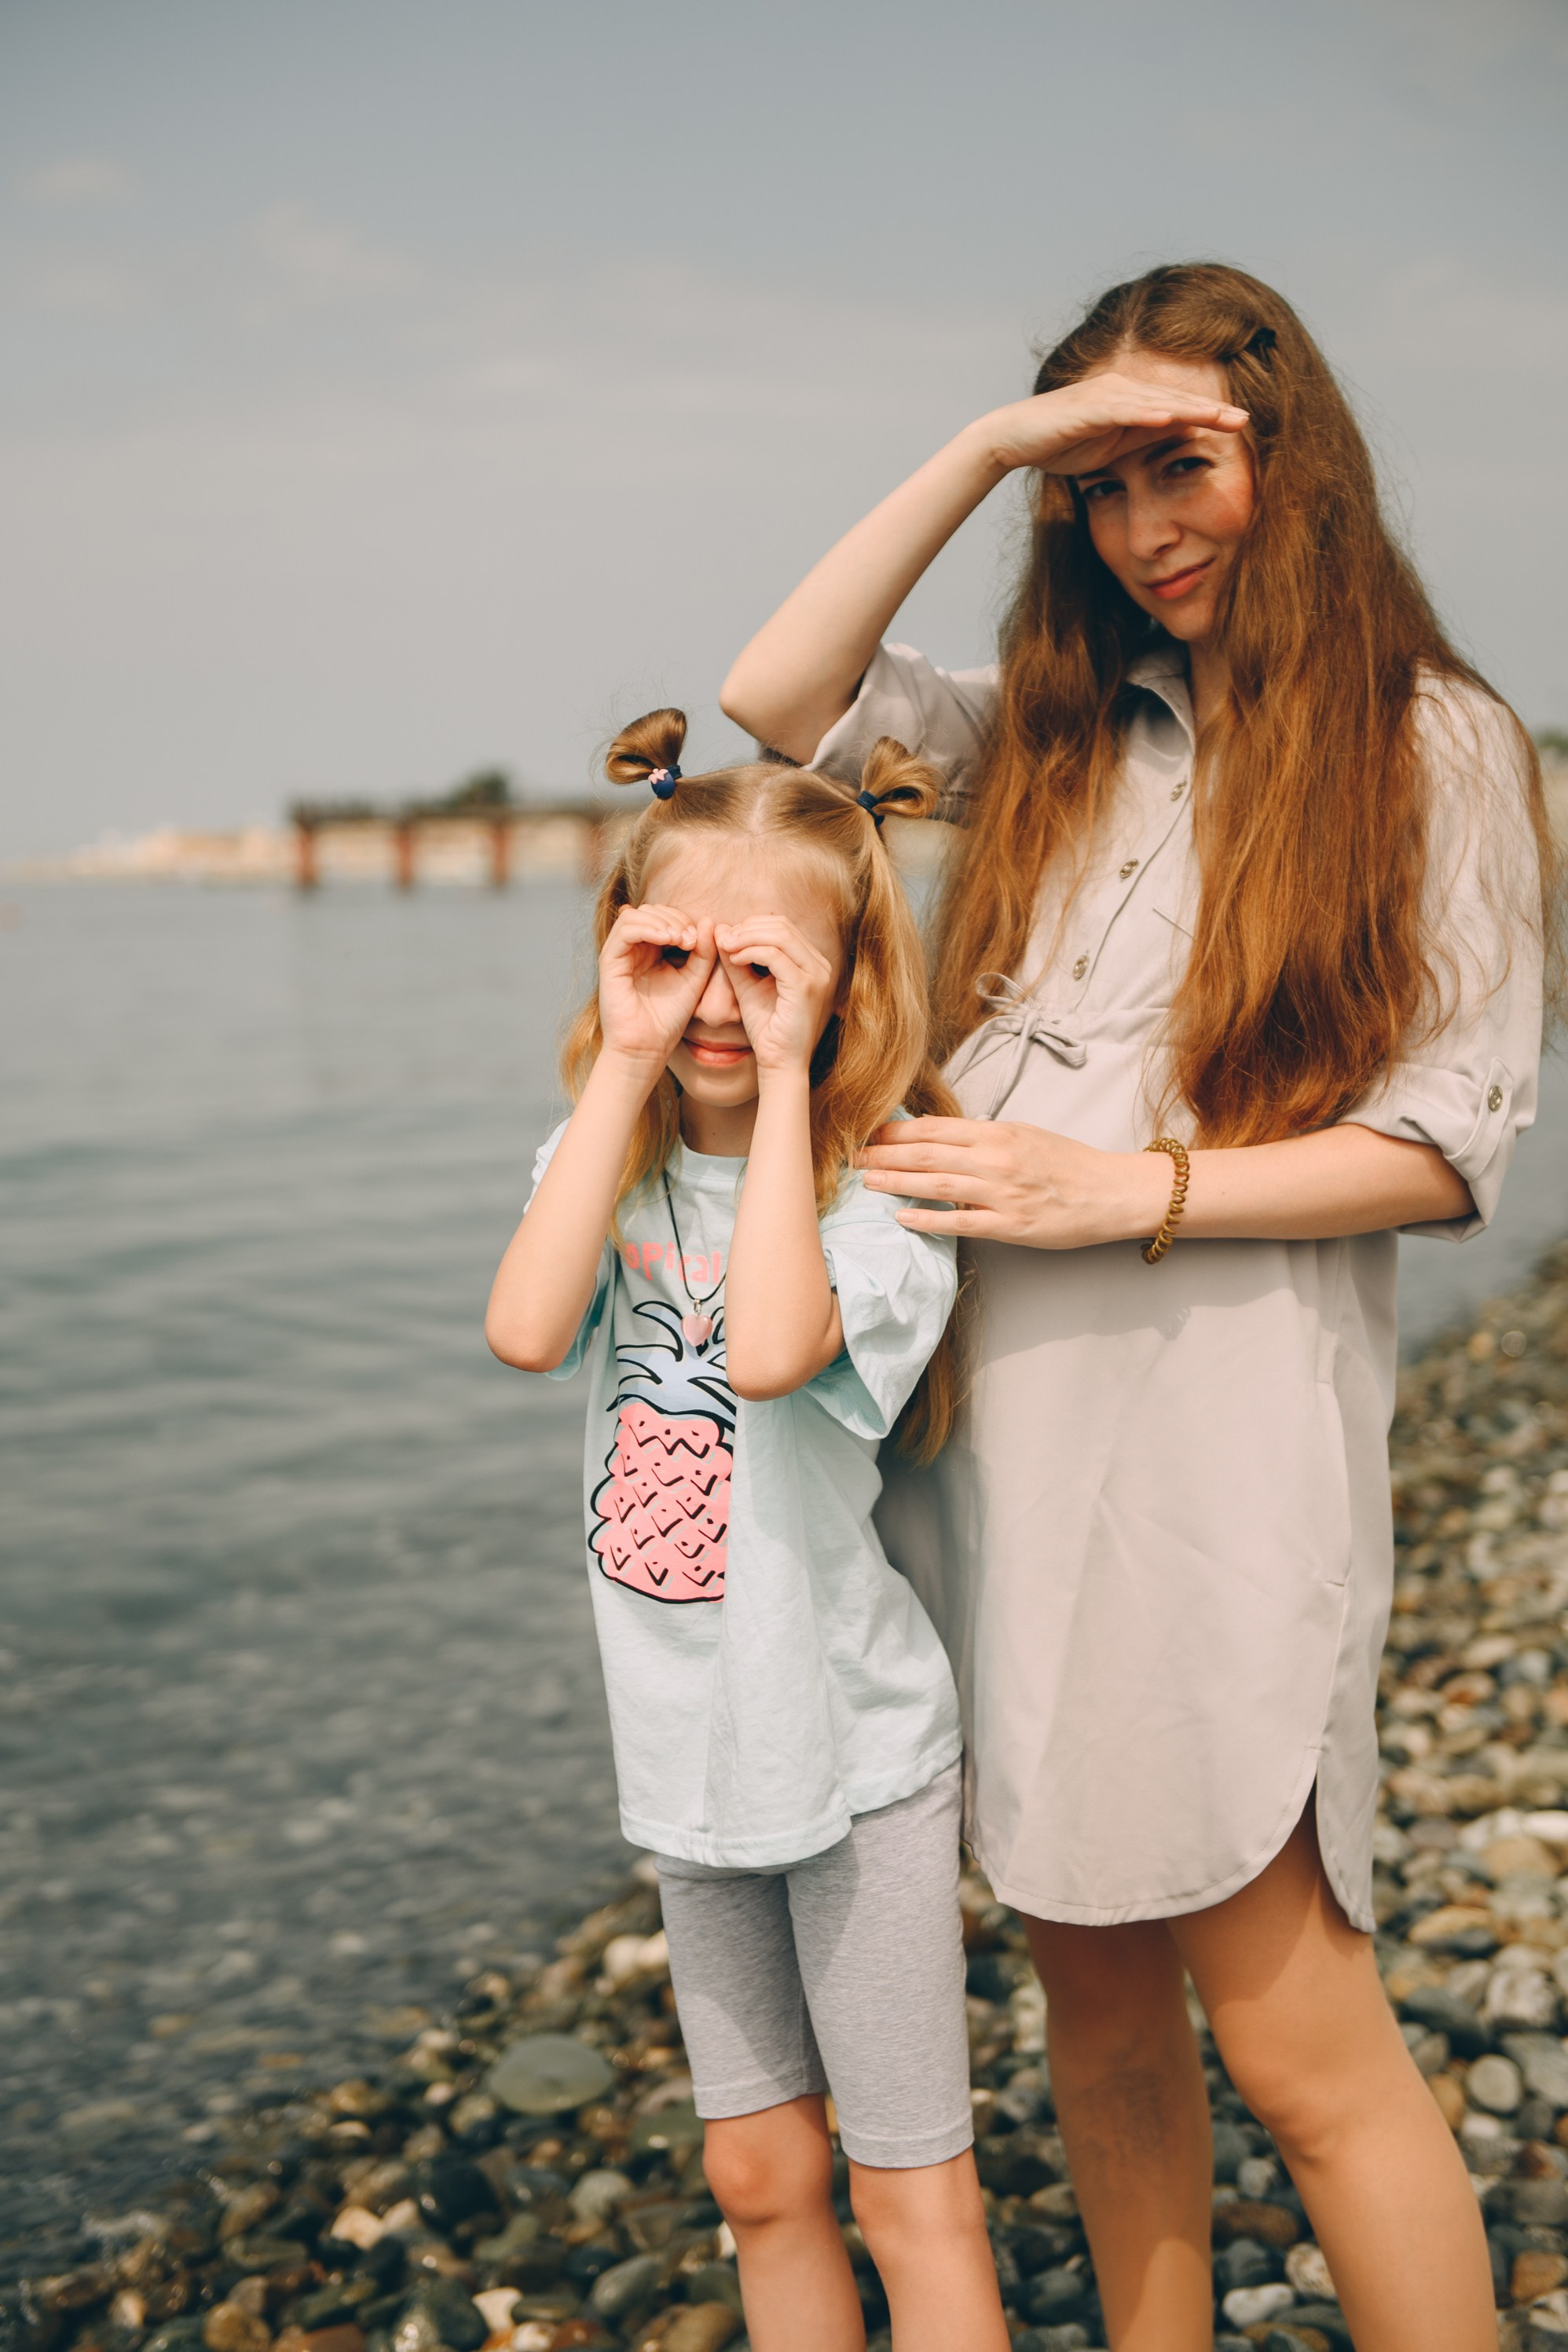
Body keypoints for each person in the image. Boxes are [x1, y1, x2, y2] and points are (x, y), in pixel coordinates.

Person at [720, 261, 1559, 2352]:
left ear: (1294, 457)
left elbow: (1449, 1140)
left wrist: (1118, 1191)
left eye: (1174, 463)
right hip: (974, 1456)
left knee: (1299, 2045)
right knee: (1090, 2014)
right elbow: (776, 697)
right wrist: (997, 445)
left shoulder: (1428, 741)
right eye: (1093, 491)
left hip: (1210, 1434)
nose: (1139, 525)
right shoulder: (1051, 743)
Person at [485, 712, 1011, 2352]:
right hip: (686, 1758)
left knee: (907, 2190)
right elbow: (520, 1328)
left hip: (851, 1761)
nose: (716, 999)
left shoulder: (878, 1198)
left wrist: (788, 1084)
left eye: (763, 968)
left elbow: (774, 1346)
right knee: (757, 2176)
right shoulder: (606, 1170)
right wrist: (629, 1059)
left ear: (846, 980)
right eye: (675, 954)